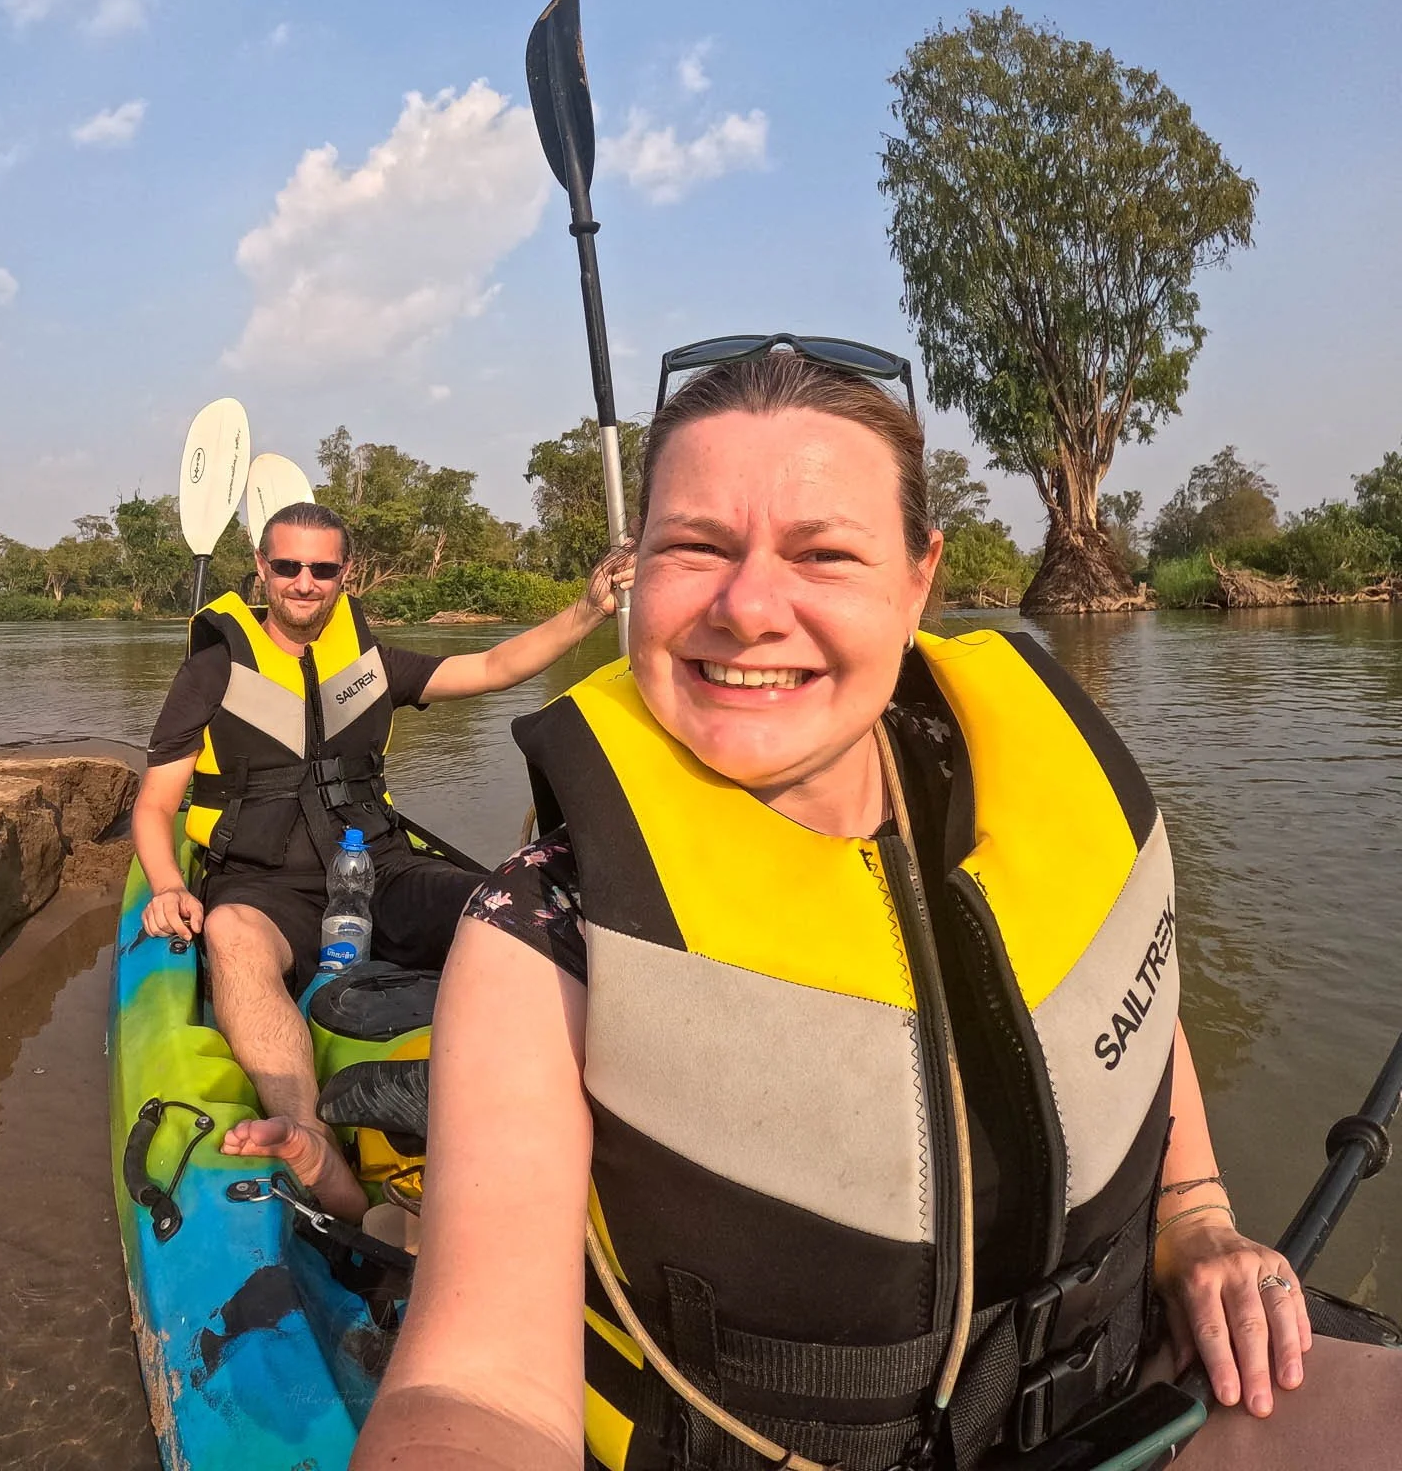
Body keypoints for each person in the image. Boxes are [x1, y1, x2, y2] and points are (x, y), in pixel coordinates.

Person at [354, 347, 1402, 1470]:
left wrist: (1195, 1214)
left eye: (823, 553)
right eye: (694, 546)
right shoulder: (541, 930)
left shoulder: (1024, 804)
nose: (749, 606)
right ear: (634, 572)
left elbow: (1119, 998)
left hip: (1124, 1398)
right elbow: (481, 1387)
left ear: (916, 582)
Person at [134, 498, 631, 1220]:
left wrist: (587, 610)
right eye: (288, 566)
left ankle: (556, 1080)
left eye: (322, 568)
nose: (305, 582)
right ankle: (305, 1129)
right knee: (232, 936)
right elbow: (155, 806)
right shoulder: (212, 672)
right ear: (263, 571)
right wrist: (167, 885)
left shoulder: (370, 663)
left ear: (345, 574)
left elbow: (491, 667)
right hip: (264, 882)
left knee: (507, 911)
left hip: (379, 867)